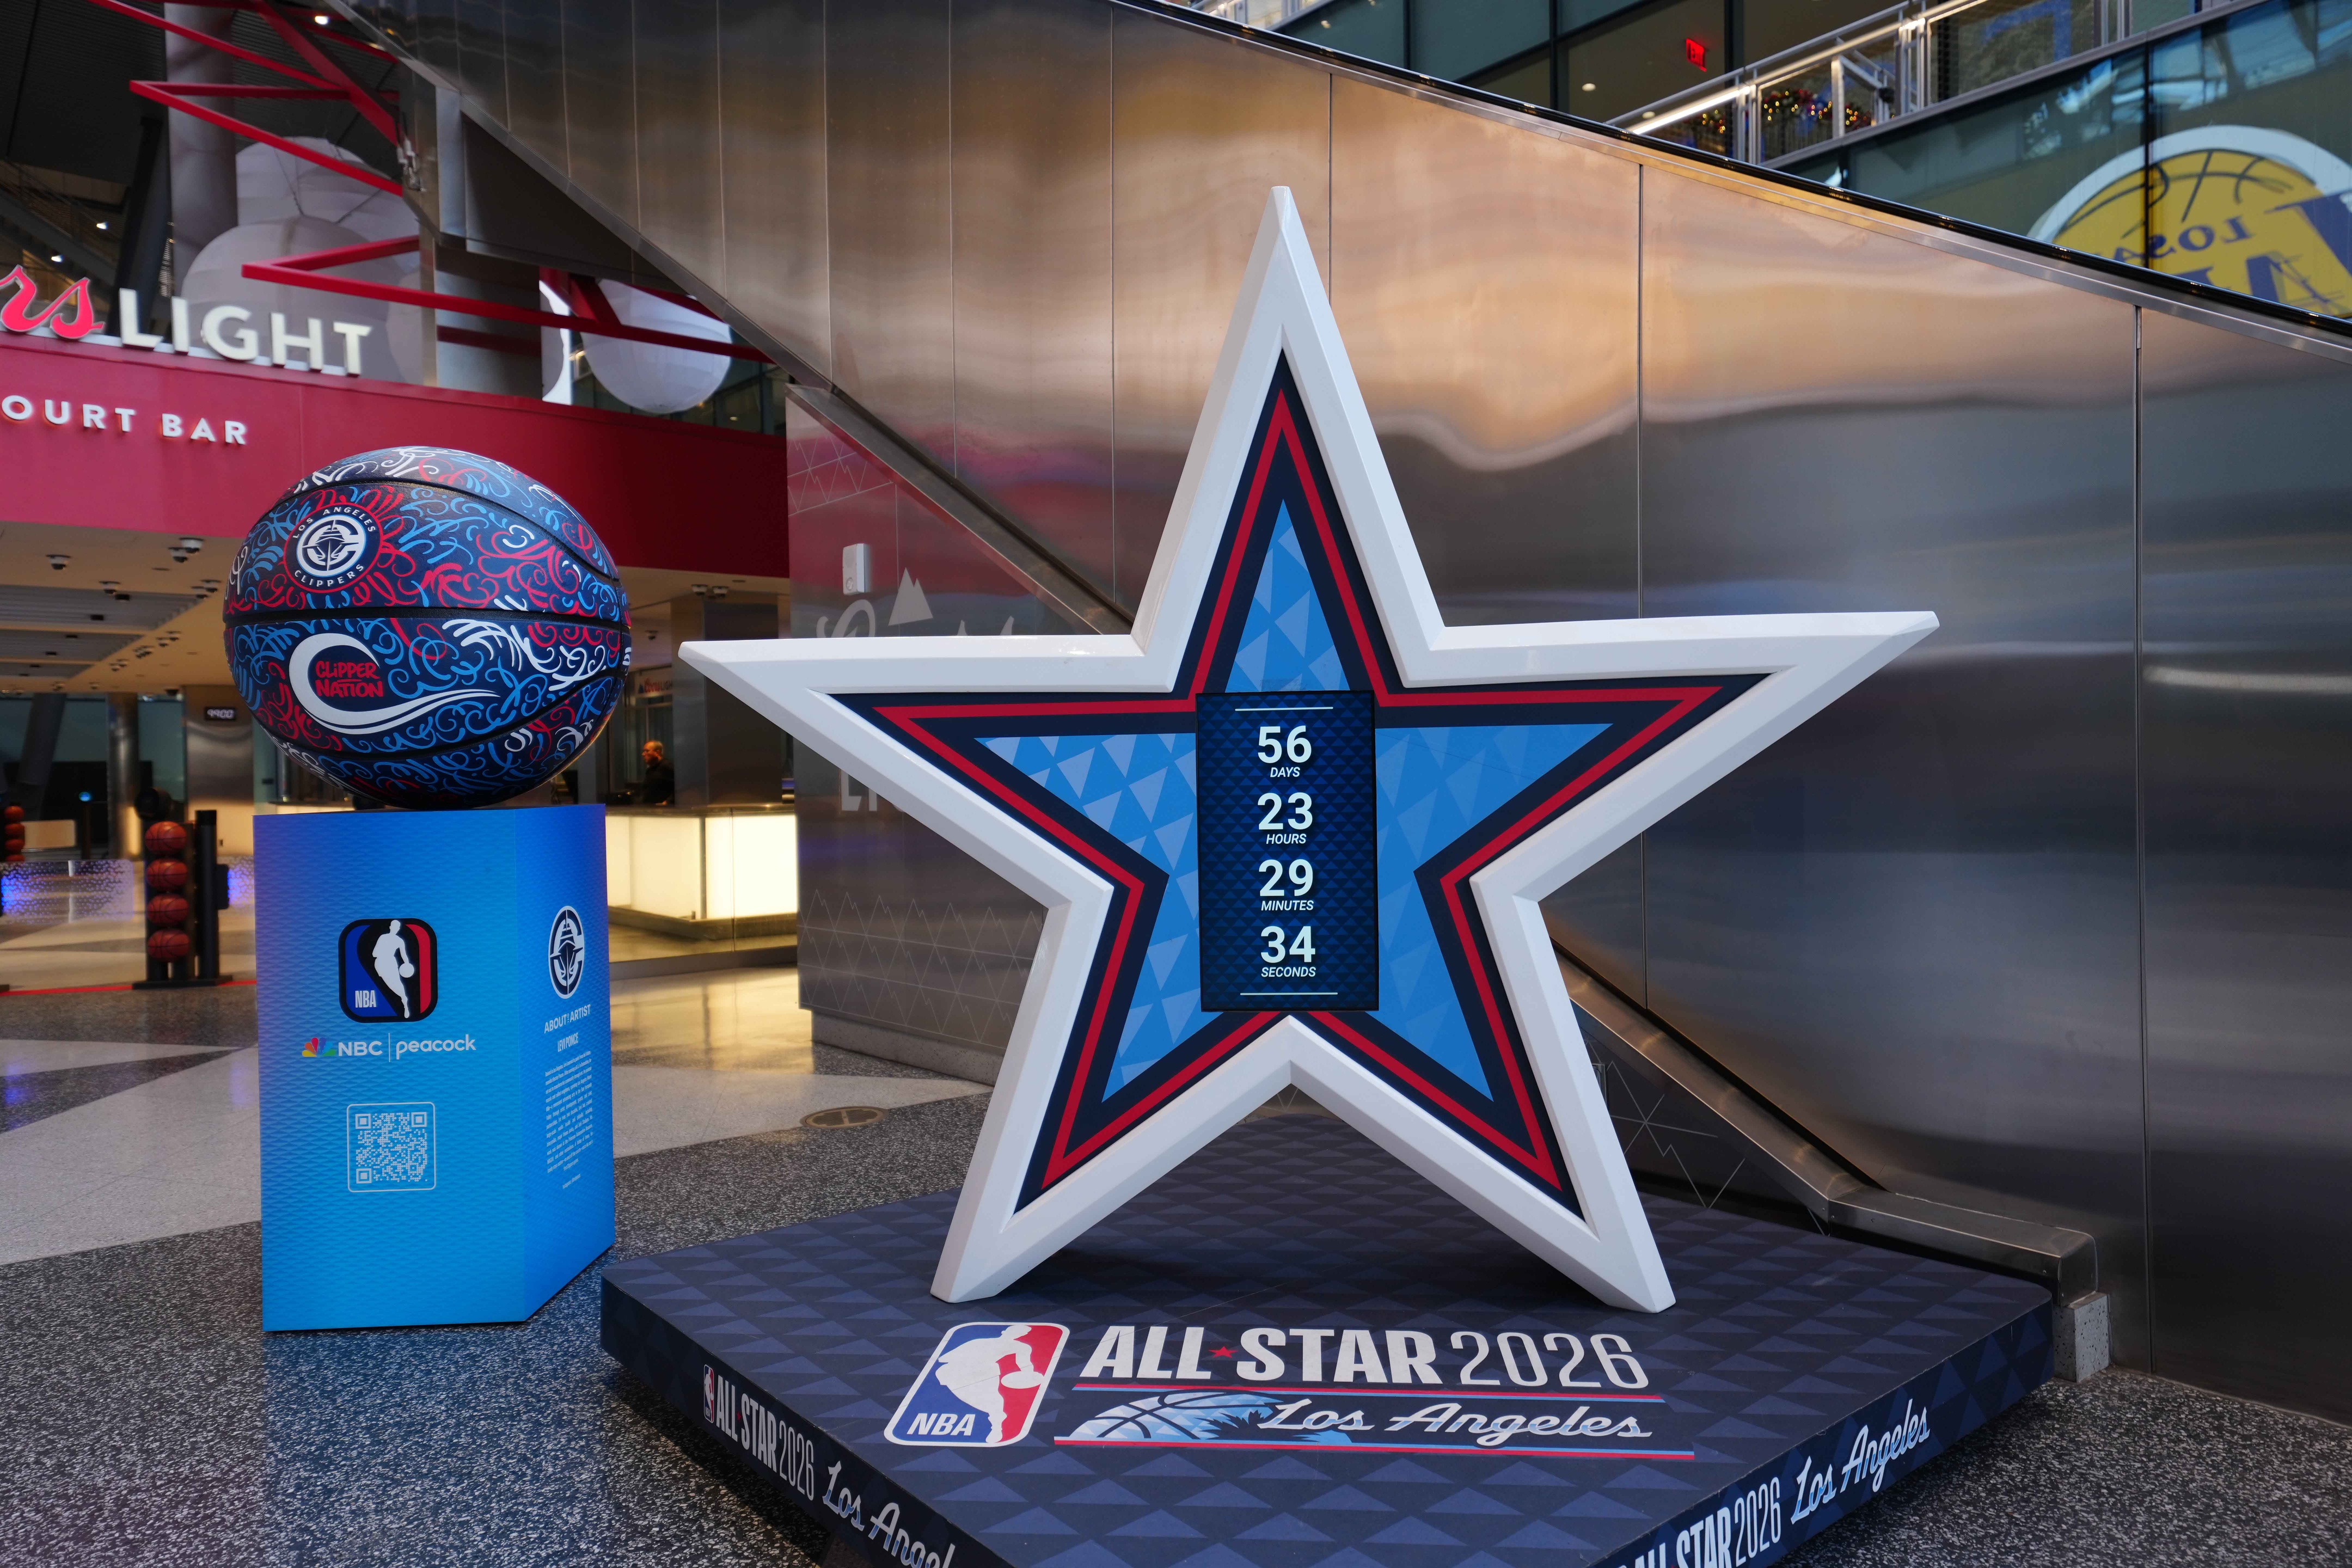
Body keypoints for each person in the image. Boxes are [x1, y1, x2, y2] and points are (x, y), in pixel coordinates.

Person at [932, 1327, 1046, 1444]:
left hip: (986, 1371)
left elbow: (1025, 1364)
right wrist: (966, 1359)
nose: (1016, 1334)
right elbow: (944, 1358)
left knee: (993, 1398)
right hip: (959, 1371)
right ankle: (997, 1414)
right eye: (1014, 1331)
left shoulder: (1021, 1347)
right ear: (1004, 1331)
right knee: (969, 1397)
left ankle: (997, 1427)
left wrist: (1030, 1375)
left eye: (1020, 1333)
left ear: (1022, 1335)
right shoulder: (978, 1342)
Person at [371, 919, 416, 1019]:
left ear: (399, 929)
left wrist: (407, 964)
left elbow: (404, 955)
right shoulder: (383, 937)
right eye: (394, 927)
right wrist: (384, 953)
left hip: (391, 963)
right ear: (391, 927)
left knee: (397, 983)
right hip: (380, 963)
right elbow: (374, 953)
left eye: (397, 927)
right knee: (390, 984)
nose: (396, 929)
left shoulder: (400, 941)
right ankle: (402, 999)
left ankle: (405, 1001)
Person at [639, 740, 675, 806]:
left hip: (663, 812)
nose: (643, 754)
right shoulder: (650, 769)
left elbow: (680, 787)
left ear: (657, 752)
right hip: (650, 810)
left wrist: (668, 802)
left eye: (647, 751)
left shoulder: (667, 766)